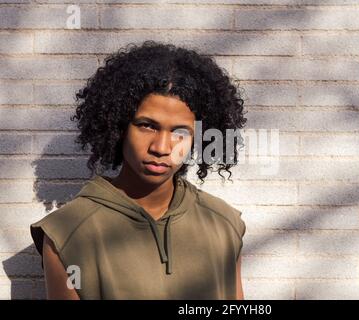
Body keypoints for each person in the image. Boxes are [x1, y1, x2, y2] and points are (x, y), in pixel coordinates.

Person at [30, 40, 247, 300]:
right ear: (119, 126)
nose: (161, 147)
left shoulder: (224, 222)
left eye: (180, 132)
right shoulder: (66, 232)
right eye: (147, 125)